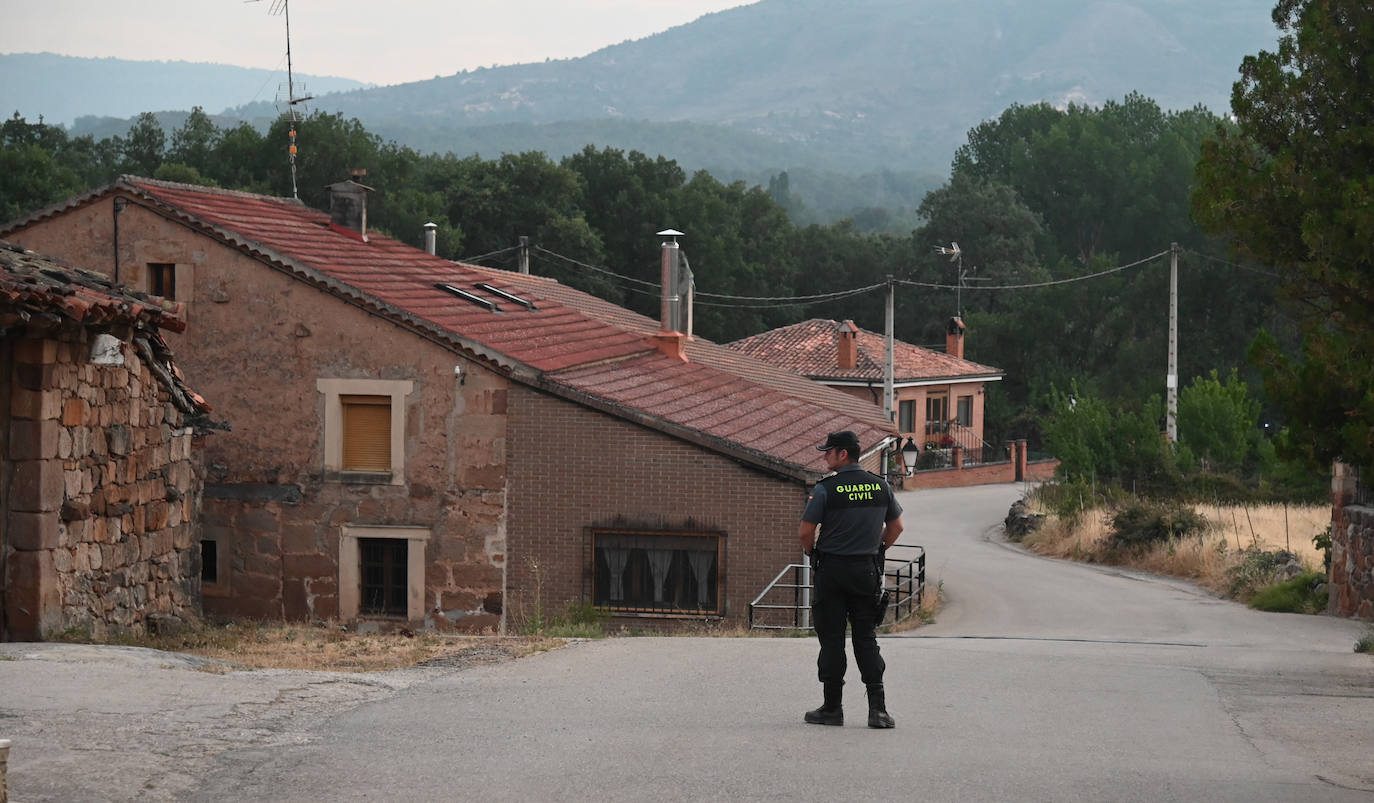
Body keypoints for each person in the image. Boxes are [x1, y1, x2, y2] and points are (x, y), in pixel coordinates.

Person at [798, 430, 903, 728]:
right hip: (865, 571)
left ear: (843, 454)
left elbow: (805, 531)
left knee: (832, 640)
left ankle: (832, 708)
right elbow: (896, 526)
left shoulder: (826, 489)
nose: (824, 456)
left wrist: (812, 552)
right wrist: (878, 548)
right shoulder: (880, 487)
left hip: (831, 571)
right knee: (865, 638)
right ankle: (878, 710)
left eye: (828, 451)